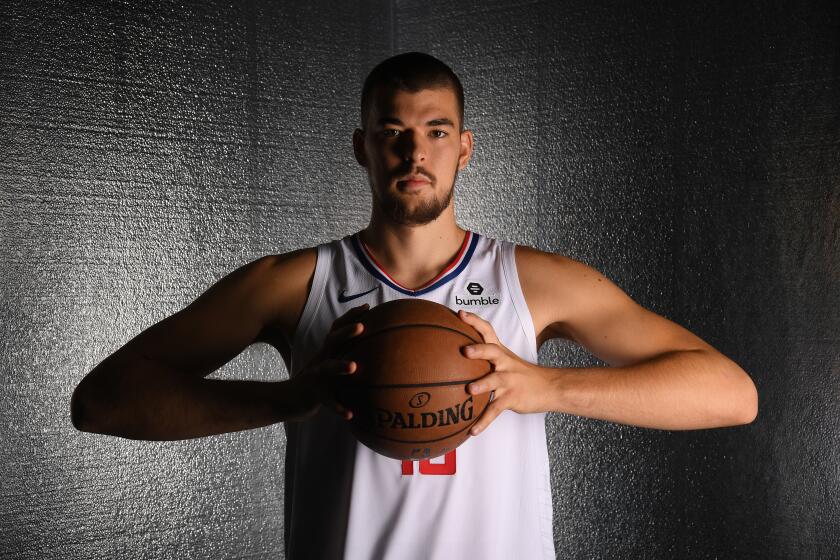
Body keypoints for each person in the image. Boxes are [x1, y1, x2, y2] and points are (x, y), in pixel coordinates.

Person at [71, 52, 758, 559]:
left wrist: (545, 385)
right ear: (361, 147)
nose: (413, 150)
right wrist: (286, 400)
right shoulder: (290, 285)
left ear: (465, 147)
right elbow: (101, 400)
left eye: (435, 129)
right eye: (391, 130)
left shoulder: (539, 282)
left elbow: (731, 394)